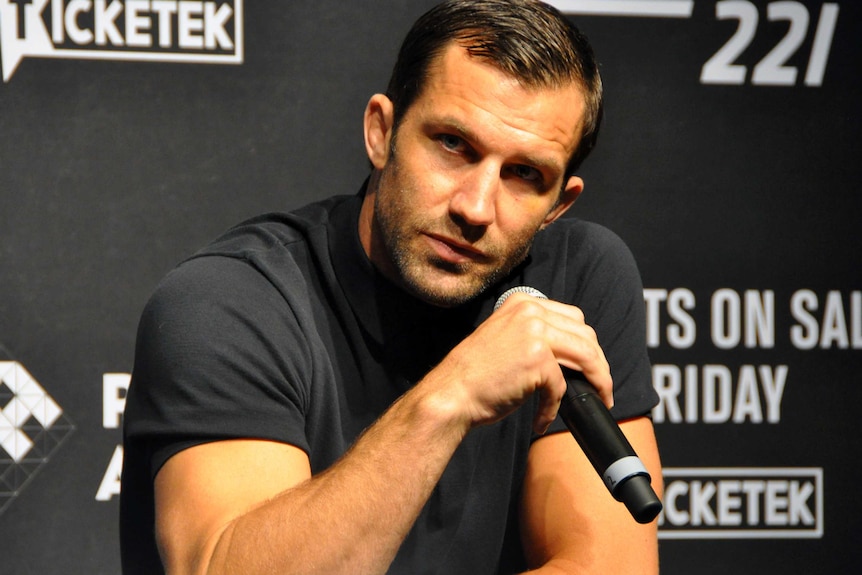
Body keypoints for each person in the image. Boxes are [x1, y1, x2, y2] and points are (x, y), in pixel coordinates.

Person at [120, 1, 662, 573]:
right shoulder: (229, 300)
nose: (476, 208)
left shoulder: (576, 281)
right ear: (382, 132)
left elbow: (610, 565)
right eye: (453, 145)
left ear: (559, 204)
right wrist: (451, 397)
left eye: (525, 174)